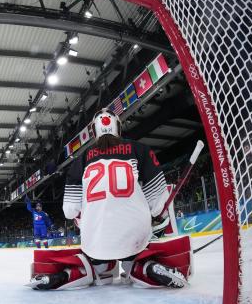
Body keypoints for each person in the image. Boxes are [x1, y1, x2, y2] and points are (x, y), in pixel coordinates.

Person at [29, 108, 191, 290]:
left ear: (93, 131)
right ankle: (141, 269)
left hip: (96, 241)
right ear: (118, 128)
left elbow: (69, 211)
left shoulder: (81, 160)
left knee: (97, 259)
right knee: (136, 252)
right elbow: (158, 204)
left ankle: (88, 271)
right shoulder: (140, 150)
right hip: (134, 238)